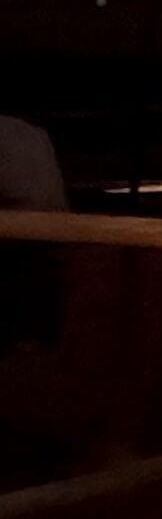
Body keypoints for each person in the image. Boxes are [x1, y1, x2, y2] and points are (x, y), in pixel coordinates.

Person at [0, 112, 68, 348]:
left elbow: (31, 203)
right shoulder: (33, 134)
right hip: (48, 255)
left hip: (22, 259)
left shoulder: (14, 135)